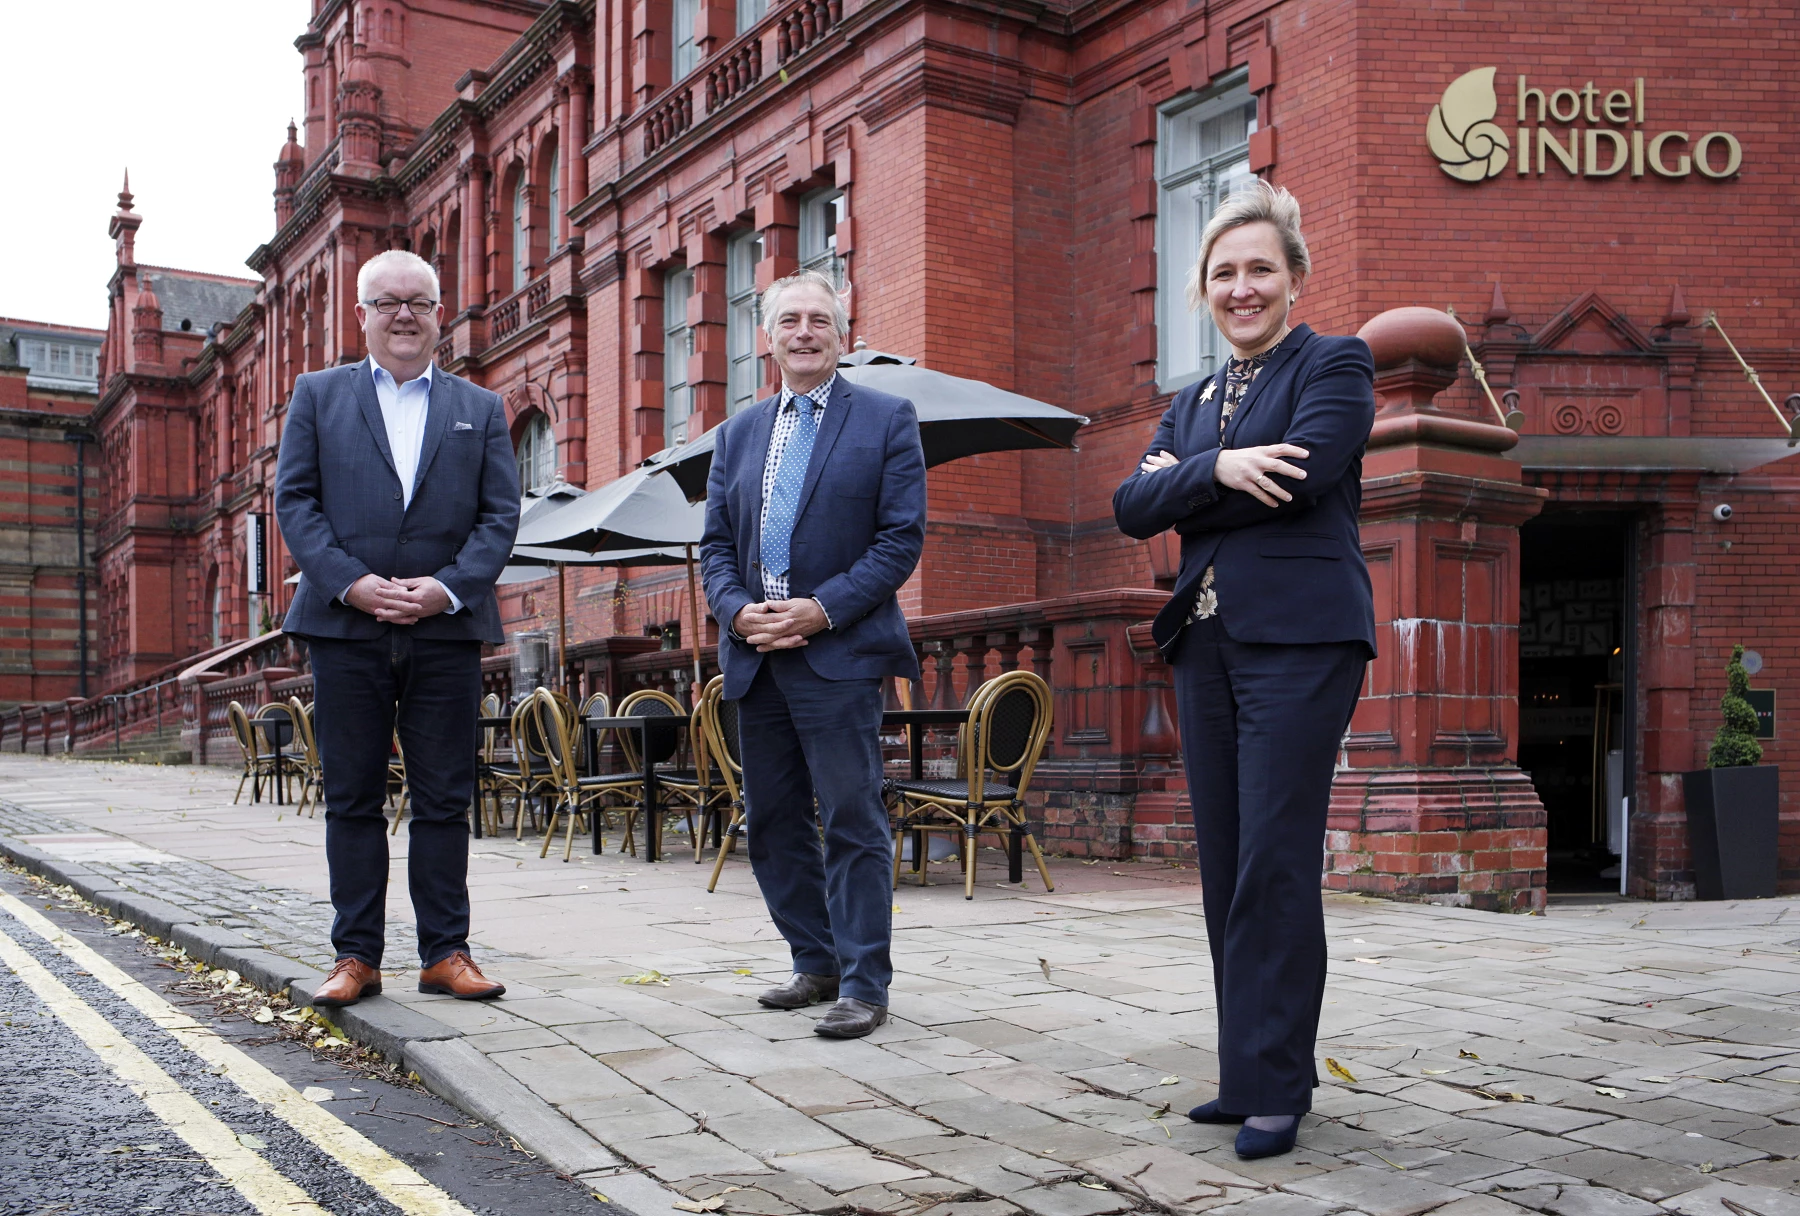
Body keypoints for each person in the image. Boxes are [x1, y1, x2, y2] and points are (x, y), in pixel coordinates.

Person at [1112, 181, 1375, 1159]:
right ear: (1205, 289)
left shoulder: (1335, 364)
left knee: (1273, 856)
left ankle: (1276, 1088)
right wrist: (1218, 470)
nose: (1242, 286)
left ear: (1295, 278)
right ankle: (1251, 1072)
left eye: (1260, 267)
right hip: (1208, 643)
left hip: (1303, 639)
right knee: (1224, 860)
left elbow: (1303, 472)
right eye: (1224, 272)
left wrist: (1184, 482)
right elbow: (1127, 506)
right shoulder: (1193, 402)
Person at [275, 249, 521, 1008]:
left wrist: (444, 590)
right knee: (351, 796)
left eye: (418, 301)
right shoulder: (317, 396)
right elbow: (296, 504)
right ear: (362, 316)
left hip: (445, 632)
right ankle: (357, 958)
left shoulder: (481, 409)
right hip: (345, 629)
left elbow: (499, 517)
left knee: (445, 797)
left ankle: (445, 951)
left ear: (440, 313)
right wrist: (353, 583)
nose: (404, 313)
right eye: (387, 302)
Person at [699, 268, 927, 1039]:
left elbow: (901, 541)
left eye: (817, 320)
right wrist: (738, 614)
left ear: (841, 331)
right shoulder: (736, 435)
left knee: (854, 817)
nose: (803, 332)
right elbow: (714, 549)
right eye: (788, 320)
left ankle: (865, 982)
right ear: (768, 338)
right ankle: (814, 957)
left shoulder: (887, 420)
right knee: (771, 821)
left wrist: (820, 610)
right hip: (757, 657)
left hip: (840, 656)